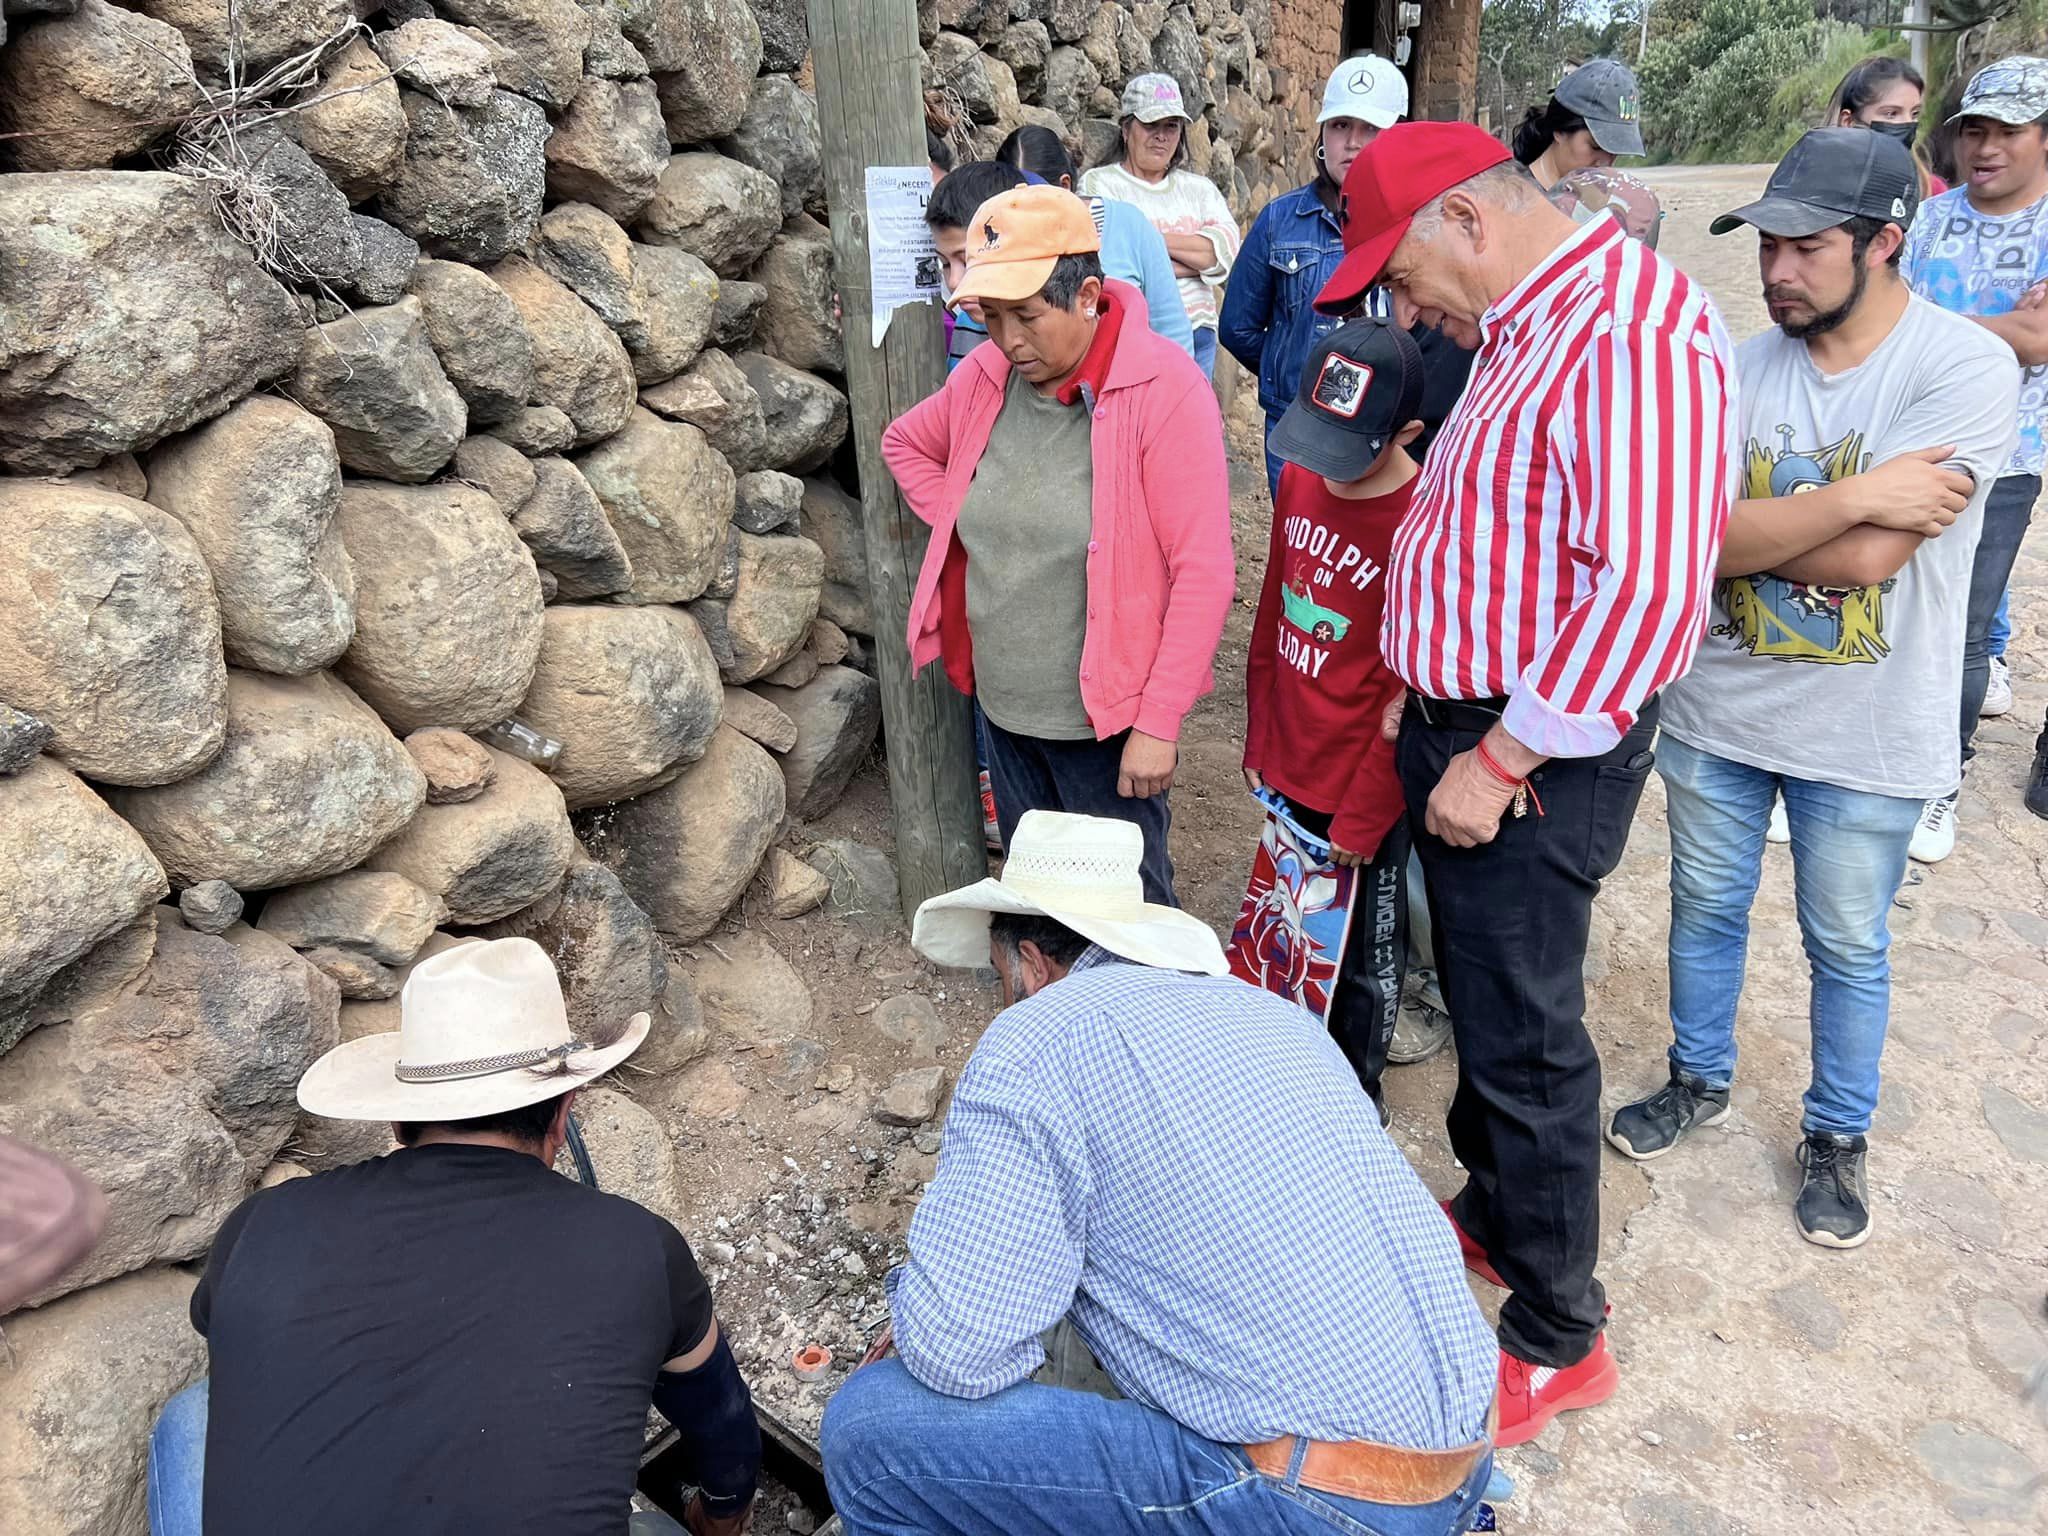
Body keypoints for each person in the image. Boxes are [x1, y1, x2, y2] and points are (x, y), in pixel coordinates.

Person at [1315, 121, 1735, 1445]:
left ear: (1469, 221)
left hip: (1531, 751)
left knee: (1527, 1032)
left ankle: (1560, 1335)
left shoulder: (1627, 332)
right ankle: (1497, 1215)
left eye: (1401, 272)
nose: (1398, 308)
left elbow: (1654, 593)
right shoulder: (1523, 325)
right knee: (1493, 1013)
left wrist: (1497, 759)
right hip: (1470, 721)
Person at [820, 810, 1499, 1536]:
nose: (1004, 997)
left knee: (873, 1431)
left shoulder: (1037, 1037)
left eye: (999, 977)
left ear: (1031, 962)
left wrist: (918, 1301)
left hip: (1321, 1503)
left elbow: (960, 1352)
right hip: (1466, 1449)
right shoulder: (1270, 1013)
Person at [1610, 129, 2019, 1251]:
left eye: (1807, 246)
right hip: (1720, 710)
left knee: (1845, 942)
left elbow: (1867, 566)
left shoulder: (1960, 368)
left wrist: (1751, 535)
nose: (1776, 269)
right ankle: (1696, 1077)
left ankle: (1836, 1134)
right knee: (1702, 910)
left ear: (1885, 242)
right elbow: (1681, 541)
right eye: (1767, 245)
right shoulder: (1735, 371)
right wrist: (1854, 497)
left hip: (1869, 729)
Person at [146, 939, 760, 1536]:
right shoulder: (639, 1247)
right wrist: (721, 1516)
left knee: (191, 1416)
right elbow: (724, 1426)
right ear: (564, 1108)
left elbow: (232, 1338)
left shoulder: (262, 1224)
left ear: (397, 1115)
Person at [883, 185, 1234, 906]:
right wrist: (962, 505)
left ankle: (1143, 1022)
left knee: (1126, 915)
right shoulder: (984, 377)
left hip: (1104, 727)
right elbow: (905, 444)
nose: (1009, 341)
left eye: (1027, 316)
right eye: (992, 316)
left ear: (1088, 296)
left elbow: (1204, 572)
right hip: (1006, 710)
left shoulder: (1163, 389)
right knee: (1041, 896)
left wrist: (1158, 723)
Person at [1243, 317, 1427, 1121]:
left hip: (1360, 786)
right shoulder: (1306, 479)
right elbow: (1272, 612)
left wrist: (1364, 812)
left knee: (1359, 953)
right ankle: (1282, 1061)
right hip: (1289, 761)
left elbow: (1405, 696)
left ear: (1408, 432)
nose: (1327, 468)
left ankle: (1354, 1094)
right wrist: (1258, 734)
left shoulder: (1422, 525)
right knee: (1283, 927)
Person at [1899, 56, 2048, 857]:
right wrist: (2003, 331)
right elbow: (1884, 319)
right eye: (1975, 130)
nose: (1986, 147)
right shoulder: (1932, 217)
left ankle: (1936, 784)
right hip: (1902, 443)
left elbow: (2043, 342)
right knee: (1881, 604)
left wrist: (1938, 328)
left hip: (2002, 462)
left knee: (1959, 626)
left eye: (2009, 132)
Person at [1220, 55, 1407, 495]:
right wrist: (1291, 373)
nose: (1354, 143)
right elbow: (1238, 327)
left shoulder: (1416, 223)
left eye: (1371, 129)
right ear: (1322, 134)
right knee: (1301, 547)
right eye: (1341, 125)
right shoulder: (1279, 222)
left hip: (1390, 430)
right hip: (1297, 425)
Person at [1080, 73, 1241, 377]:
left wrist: (1141, 244)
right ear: (1126, 129)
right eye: (1151, 125)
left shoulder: (1200, 189)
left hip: (1199, 334)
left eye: (1172, 126)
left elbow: (1225, 255)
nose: (1162, 136)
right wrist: (1196, 262)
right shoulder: (1101, 185)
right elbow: (1109, 266)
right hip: (1136, 335)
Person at [995, 124, 1195, 356]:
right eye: (1012, 203)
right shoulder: (1001, 240)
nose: (1022, 213)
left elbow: (1172, 330)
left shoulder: (1129, 226)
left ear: (1065, 186)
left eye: (1035, 200)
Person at [925, 158, 1028, 373]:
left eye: (967, 261)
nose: (954, 283)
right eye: (944, 264)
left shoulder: (1048, 335)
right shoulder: (967, 324)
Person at [1512, 58, 1645, 190]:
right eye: (1596, 146)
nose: (1606, 163)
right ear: (1560, 130)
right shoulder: (1515, 201)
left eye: (1615, 150)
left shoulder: (1592, 199)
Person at [1826, 54, 1947, 196]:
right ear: (1848, 122)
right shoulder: (1816, 186)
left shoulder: (1930, 190)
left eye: (1914, 113)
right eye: (1891, 113)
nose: (1907, 123)